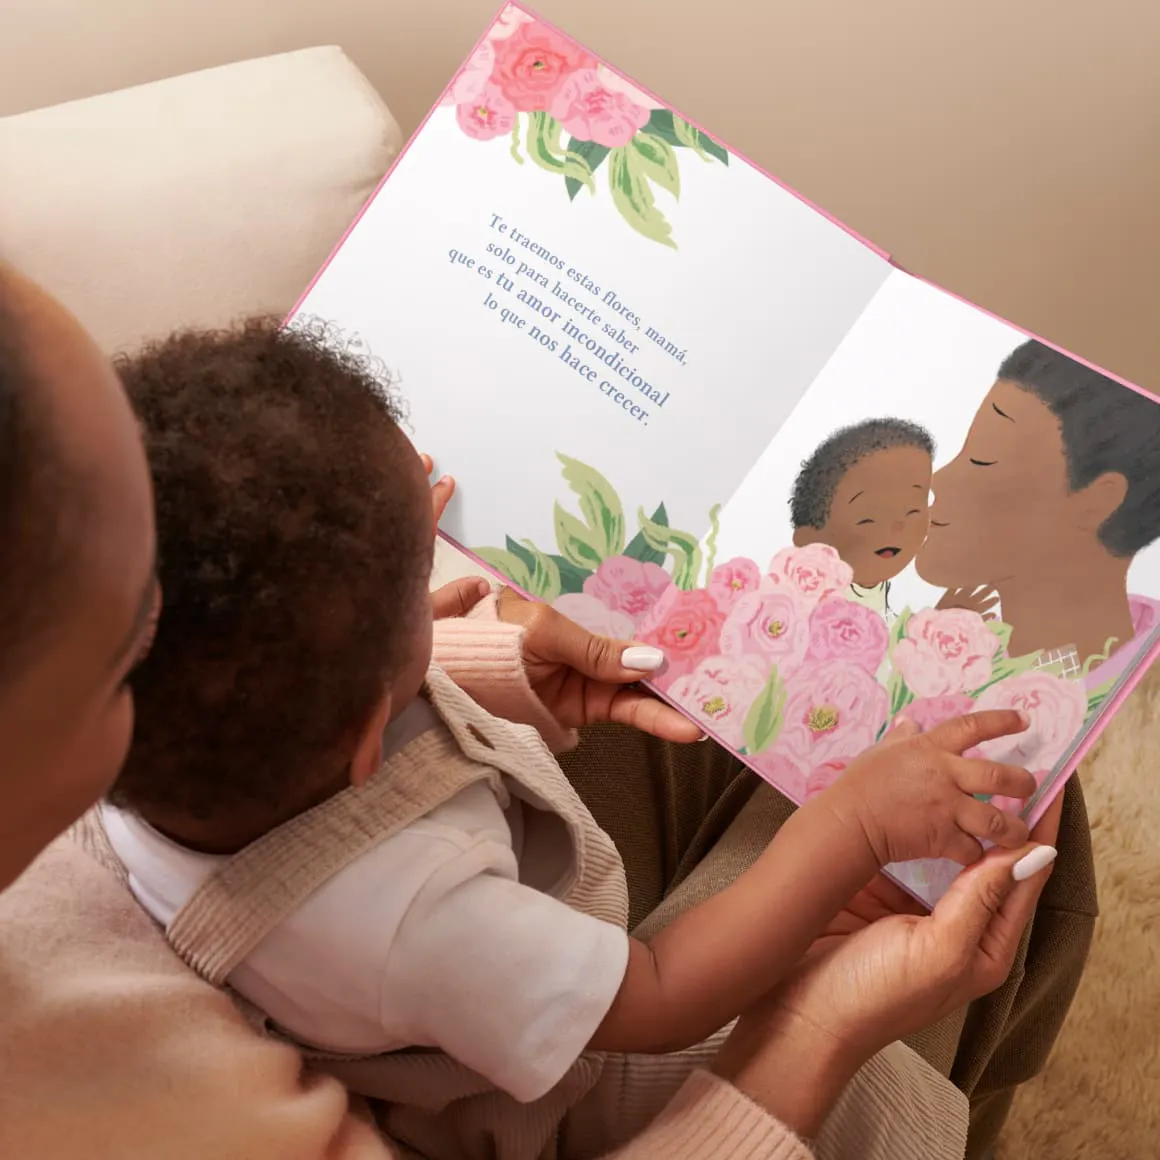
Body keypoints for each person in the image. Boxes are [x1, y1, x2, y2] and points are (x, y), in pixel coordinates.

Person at [0, 263, 1059, 1160]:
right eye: (426, 558)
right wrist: (852, 834)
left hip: (492, 946)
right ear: (368, 730)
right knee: (883, 1062)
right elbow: (653, 994)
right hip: (553, 1076)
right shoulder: (403, 922)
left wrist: (454, 655)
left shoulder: (170, 745)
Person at [918, 338, 1160, 680]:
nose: (938, 481)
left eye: (982, 457)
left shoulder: (1139, 702)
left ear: (1097, 500)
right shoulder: (952, 670)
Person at [790, 418, 934, 621]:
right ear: (810, 539)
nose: (896, 526)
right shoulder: (803, 621)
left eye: (912, 510)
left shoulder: (896, 622)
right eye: (868, 518)